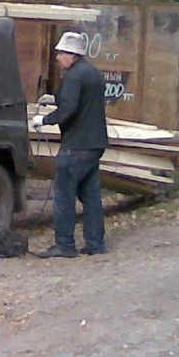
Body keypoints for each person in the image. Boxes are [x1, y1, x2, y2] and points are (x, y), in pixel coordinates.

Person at [31, 32, 109, 258]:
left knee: (64, 194)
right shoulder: (93, 73)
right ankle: (95, 243)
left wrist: (44, 120)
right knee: (90, 195)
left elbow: (69, 109)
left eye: (60, 53)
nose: (57, 58)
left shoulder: (74, 76)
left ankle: (64, 245)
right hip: (95, 143)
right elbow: (79, 100)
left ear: (71, 54)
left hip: (76, 144)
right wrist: (53, 98)